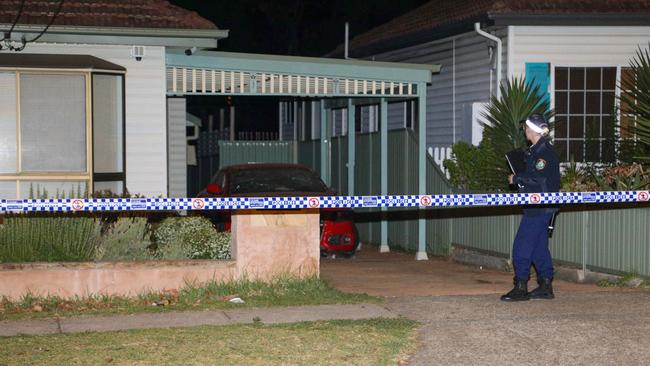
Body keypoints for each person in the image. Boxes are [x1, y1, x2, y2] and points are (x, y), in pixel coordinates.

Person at [501, 114, 560, 302]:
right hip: (540, 206)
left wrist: (517, 178)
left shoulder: (543, 152)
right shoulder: (537, 150)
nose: (524, 131)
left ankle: (520, 286)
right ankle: (545, 285)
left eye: (525, 128)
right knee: (538, 248)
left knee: (522, 245)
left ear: (531, 130)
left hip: (539, 207)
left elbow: (540, 178)